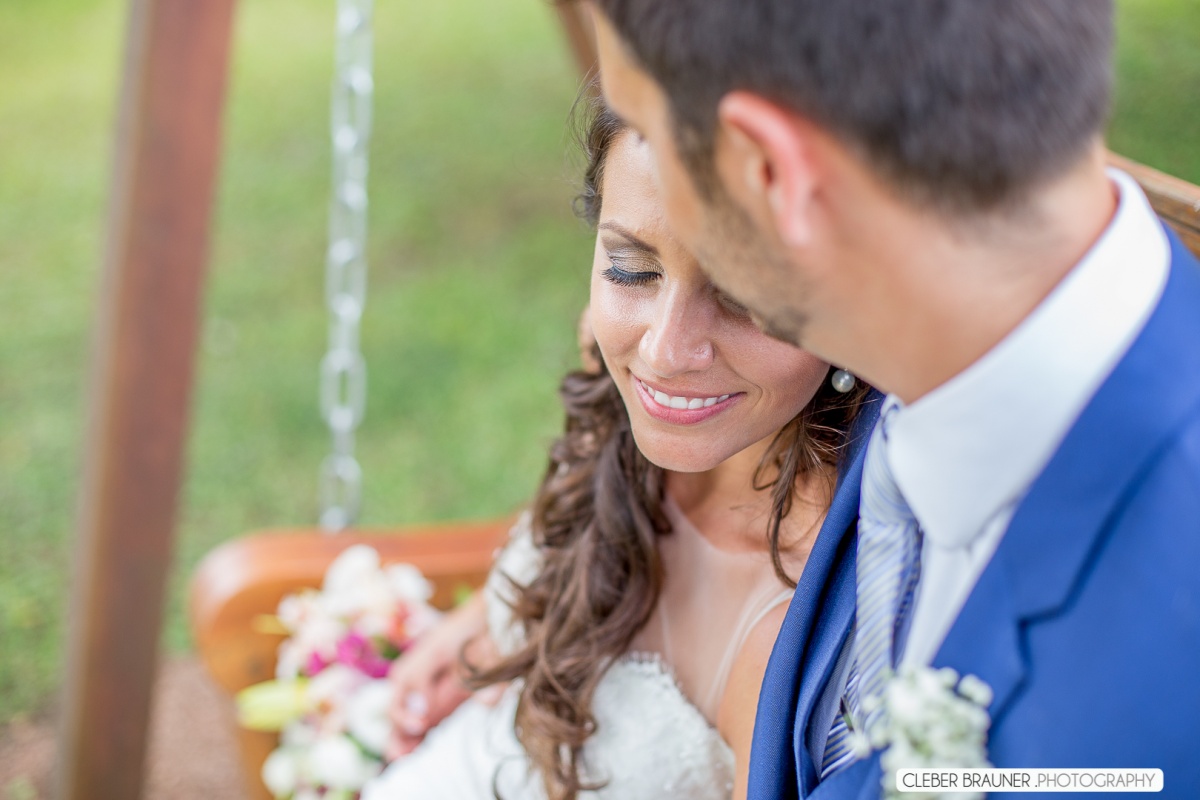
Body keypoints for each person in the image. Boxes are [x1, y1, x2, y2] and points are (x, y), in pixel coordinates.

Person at [588, 1, 1200, 798]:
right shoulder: (944, 314)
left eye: (644, 127)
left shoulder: (1146, 682)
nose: (668, 346)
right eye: (633, 269)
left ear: (773, 172)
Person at [361, 103, 873, 800]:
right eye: (632, 269)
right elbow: (590, 514)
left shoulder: (793, 636)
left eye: (747, 295)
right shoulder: (622, 369)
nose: (664, 350)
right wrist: (488, 617)